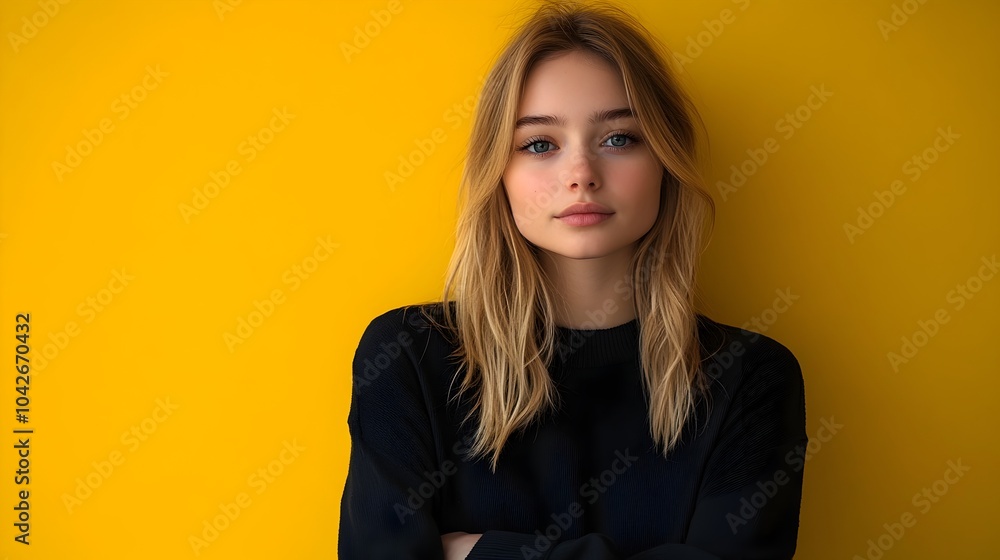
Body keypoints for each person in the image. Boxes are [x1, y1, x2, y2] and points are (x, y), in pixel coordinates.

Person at [339, 1, 808, 558]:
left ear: (665, 157)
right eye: (540, 144)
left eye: (619, 138)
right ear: (499, 171)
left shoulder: (751, 379)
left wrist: (478, 552)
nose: (581, 174)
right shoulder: (407, 356)